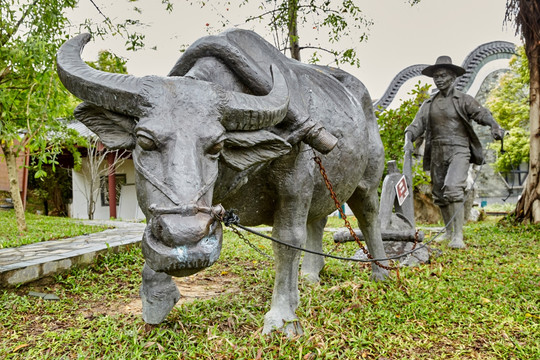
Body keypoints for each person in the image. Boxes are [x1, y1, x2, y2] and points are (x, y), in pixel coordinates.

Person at [404, 56, 505, 248]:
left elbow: (481, 113)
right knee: (439, 193)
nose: (439, 80)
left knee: (452, 188)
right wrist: (408, 138)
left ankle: (458, 236)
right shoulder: (429, 104)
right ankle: (448, 231)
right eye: (435, 77)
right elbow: (416, 125)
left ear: (452, 77)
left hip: (459, 149)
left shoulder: (463, 100)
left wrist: (494, 126)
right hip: (437, 151)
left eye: (442, 75)